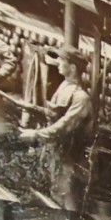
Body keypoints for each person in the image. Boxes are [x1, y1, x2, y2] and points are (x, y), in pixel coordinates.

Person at [20, 46, 93, 211]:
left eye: (62, 60)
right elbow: (55, 114)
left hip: (70, 159)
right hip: (56, 152)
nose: (58, 62)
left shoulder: (82, 98)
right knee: (52, 196)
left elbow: (64, 125)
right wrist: (33, 108)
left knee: (67, 200)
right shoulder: (65, 86)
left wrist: (37, 134)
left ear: (72, 67)